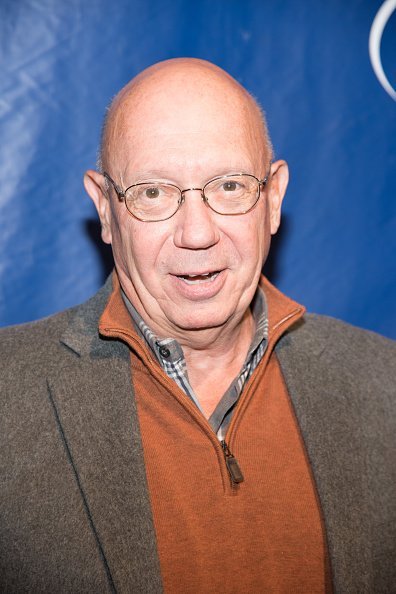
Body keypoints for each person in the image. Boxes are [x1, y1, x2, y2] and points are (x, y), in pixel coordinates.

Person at [0, 58, 395, 594]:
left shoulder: (382, 385)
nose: (196, 232)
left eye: (230, 186)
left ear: (273, 198)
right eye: (154, 192)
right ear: (106, 210)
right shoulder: (9, 395)